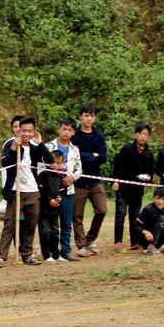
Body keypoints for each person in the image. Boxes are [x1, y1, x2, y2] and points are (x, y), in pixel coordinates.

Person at [0, 116, 51, 267]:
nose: (25, 133)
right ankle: (1, 257)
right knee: (10, 224)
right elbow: (5, 163)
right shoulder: (11, 145)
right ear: (18, 130)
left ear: (33, 132)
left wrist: (40, 142)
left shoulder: (34, 147)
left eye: (29, 131)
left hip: (32, 190)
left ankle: (27, 255)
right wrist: (13, 148)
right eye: (23, 130)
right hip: (15, 190)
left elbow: (50, 159)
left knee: (31, 224)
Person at [71, 103, 108, 256]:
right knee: (77, 215)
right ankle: (81, 245)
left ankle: (90, 239)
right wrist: (93, 155)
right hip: (78, 180)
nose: (89, 118)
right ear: (80, 117)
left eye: (92, 115)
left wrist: (85, 155)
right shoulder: (74, 135)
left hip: (95, 180)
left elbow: (103, 158)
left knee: (102, 210)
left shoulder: (99, 136)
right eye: (86, 115)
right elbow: (74, 157)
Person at [111, 123, 155, 250]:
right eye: (140, 134)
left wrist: (148, 178)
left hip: (137, 190)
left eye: (146, 135)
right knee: (120, 213)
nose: (143, 137)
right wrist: (115, 181)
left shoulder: (149, 154)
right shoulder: (127, 149)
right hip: (123, 188)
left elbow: (150, 172)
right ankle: (118, 241)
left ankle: (135, 242)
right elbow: (117, 165)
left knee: (135, 216)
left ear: (149, 137)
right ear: (136, 135)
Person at [44, 119, 82, 261]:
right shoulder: (48, 147)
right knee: (49, 223)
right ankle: (49, 251)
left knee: (66, 223)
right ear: (59, 129)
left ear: (73, 133)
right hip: (51, 191)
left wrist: (72, 178)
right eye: (64, 129)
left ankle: (65, 250)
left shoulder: (75, 150)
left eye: (70, 130)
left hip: (68, 191)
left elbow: (79, 169)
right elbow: (41, 166)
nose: (66, 132)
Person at [38, 148, 65, 264]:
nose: (55, 165)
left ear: (62, 163)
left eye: (58, 163)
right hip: (44, 209)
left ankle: (56, 254)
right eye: (53, 162)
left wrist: (59, 198)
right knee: (45, 231)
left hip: (55, 210)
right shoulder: (43, 174)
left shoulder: (59, 176)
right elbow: (40, 191)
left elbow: (61, 191)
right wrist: (49, 200)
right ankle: (46, 254)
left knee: (55, 232)